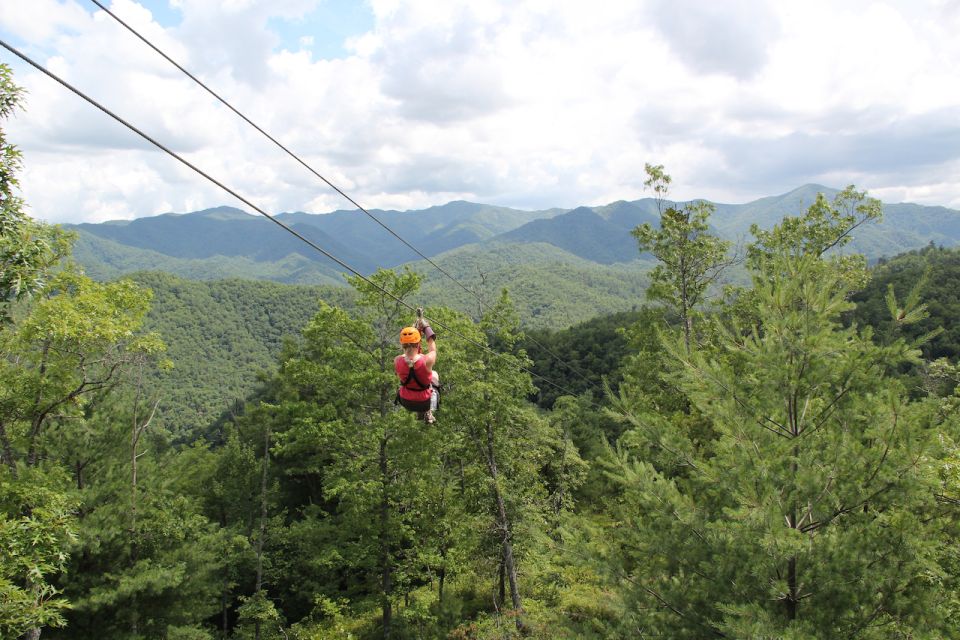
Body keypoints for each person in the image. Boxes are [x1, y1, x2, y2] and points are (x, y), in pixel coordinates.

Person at [394, 317, 439, 423]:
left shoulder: (397, 360)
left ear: (402, 344)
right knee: (435, 374)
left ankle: (423, 411)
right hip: (425, 402)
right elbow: (432, 349)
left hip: (406, 401)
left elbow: (410, 361)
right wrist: (427, 328)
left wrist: (416, 331)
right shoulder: (427, 360)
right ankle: (429, 411)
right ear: (418, 343)